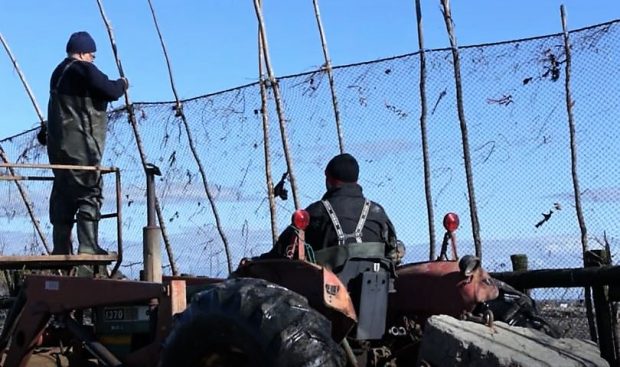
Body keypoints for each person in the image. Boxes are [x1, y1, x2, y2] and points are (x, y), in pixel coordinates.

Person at [46, 31, 128, 255]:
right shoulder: (82, 69)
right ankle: (88, 247)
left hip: (57, 149)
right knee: (89, 192)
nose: (93, 59)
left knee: (64, 193)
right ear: (82, 53)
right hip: (80, 146)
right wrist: (123, 84)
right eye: (92, 55)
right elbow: (109, 90)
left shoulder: (58, 72)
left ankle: (60, 248)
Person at [267, 153, 401, 261]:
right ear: (356, 179)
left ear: (329, 179)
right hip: (376, 292)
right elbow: (393, 251)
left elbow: (280, 253)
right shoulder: (378, 213)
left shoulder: (314, 213)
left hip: (323, 293)